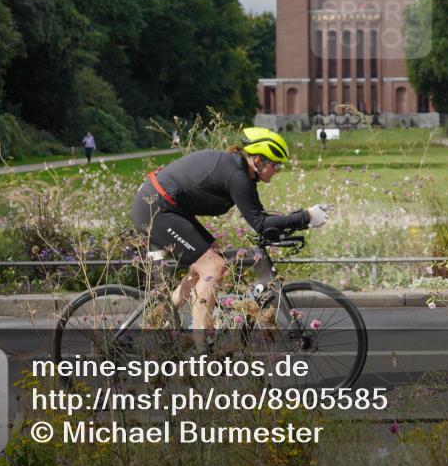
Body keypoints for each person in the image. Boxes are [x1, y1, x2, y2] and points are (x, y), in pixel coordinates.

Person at [131, 127, 330, 345]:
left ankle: (163, 314)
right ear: (258, 160)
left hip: (169, 207)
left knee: (212, 259)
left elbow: (260, 217)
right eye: (276, 165)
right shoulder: (238, 175)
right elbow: (260, 224)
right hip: (155, 208)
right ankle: (200, 349)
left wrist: (301, 221)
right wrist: (306, 216)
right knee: (213, 268)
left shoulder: (242, 172)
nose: (277, 170)